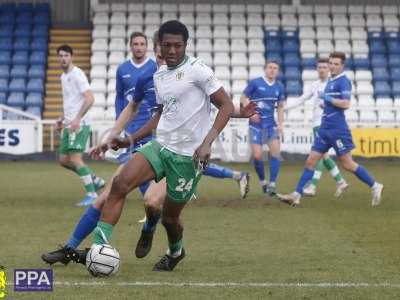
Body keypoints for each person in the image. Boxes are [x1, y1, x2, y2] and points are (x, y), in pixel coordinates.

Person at [90, 20, 255, 272]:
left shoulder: (198, 70)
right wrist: (130, 139)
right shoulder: (159, 75)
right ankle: (98, 247)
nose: (172, 50)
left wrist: (207, 143)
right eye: (167, 45)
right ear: (160, 46)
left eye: (177, 45)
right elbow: (160, 115)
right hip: (161, 146)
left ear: (185, 45)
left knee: (169, 218)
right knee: (120, 184)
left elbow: (225, 105)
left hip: (187, 158)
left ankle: (175, 251)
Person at [277, 52, 384, 207]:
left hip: (337, 129)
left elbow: (346, 104)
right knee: (310, 161)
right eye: (331, 64)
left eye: (335, 64)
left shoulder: (343, 81)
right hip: (324, 128)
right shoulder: (330, 81)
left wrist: (328, 99)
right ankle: (296, 195)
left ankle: (375, 185)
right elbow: (332, 103)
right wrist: (325, 105)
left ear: (342, 66)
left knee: (347, 164)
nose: (332, 67)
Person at [285, 58, 348, 197]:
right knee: (324, 156)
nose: (322, 69)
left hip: (325, 123)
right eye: (319, 67)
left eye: (324, 67)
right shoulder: (314, 85)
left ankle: (313, 186)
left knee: (319, 155)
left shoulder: (333, 84)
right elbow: (302, 98)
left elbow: (343, 102)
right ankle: (340, 181)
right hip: (316, 123)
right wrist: (285, 107)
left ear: (329, 69)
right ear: (317, 69)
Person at [56, 44, 104, 206]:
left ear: (71, 57)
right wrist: (62, 118)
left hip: (80, 123)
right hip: (69, 123)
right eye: (60, 56)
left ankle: (92, 195)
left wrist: (77, 119)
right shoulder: (63, 77)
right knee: (63, 160)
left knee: (76, 159)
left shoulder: (77, 75)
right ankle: (95, 180)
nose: (63, 58)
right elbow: (70, 101)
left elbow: (90, 98)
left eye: (66, 55)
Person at [240, 60, 285, 196]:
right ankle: (263, 182)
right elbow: (243, 98)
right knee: (258, 156)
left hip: (270, 125)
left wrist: (281, 124)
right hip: (256, 125)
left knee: (276, 154)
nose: (272, 70)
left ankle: (272, 184)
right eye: (270, 67)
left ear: (278, 71)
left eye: (275, 68)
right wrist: (251, 112)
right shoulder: (255, 83)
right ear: (265, 69)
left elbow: (281, 107)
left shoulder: (279, 86)